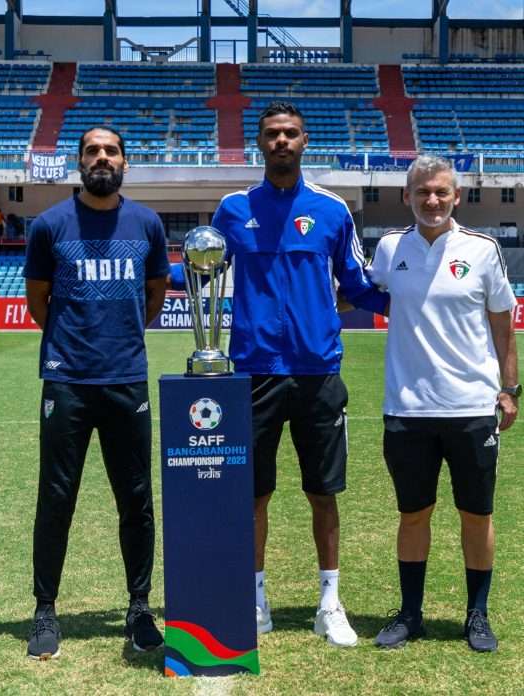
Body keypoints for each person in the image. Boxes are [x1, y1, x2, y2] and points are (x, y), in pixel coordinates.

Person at [196, 101, 389, 647]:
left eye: (290, 133)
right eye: (272, 134)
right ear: (259, 143)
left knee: (323, 493)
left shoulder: (332, 210)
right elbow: (201, 273)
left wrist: (413, 304)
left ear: (305, 141)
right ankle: (255, 599)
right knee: (251, 495)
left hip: (317, 371)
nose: (281, 141)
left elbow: (356, 285)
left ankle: (329, 603)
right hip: (252, 372)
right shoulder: (233, 210)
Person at [23, 126, 169, 659]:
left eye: (111, 151)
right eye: (92, 151)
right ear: (79, 162)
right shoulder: (49, 225)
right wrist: (73, 345)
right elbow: (38, 301)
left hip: (125, 378)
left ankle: (139, 607)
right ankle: (45, 610)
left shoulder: (147, 223)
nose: (101, 157)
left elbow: (155, 295)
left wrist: (117, 342)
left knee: (135, 497)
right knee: (56, 497)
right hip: (67, 381)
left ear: (125, 162)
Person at [369, 155, 518, 652]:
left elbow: (503, 323)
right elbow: (359, 293)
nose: (431, 200)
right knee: (414, 514)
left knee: (476, 515)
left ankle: (477, 614)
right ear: (406, 197)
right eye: (422, 192)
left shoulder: (482, 249)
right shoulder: (390, 248)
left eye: (440, 192)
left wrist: (510, 389)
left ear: (456, 196)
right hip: (407, 409)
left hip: (471, 407)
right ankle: (411, 614)